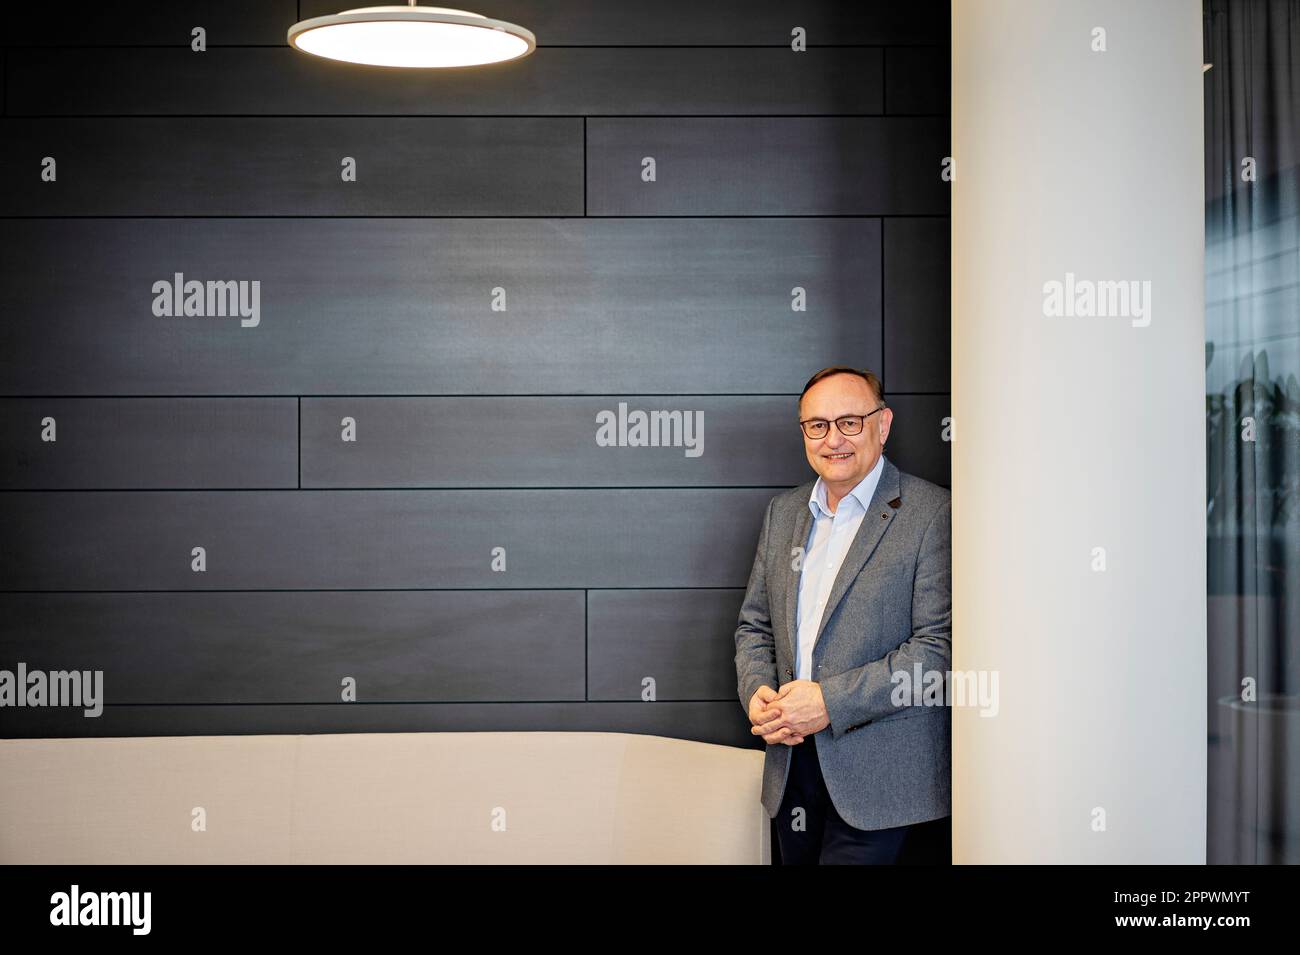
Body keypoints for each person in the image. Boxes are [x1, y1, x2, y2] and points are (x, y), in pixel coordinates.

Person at [733, 366, 952, 864]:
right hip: (791, 769)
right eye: (818, 425)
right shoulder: (784, 513)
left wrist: (829, 701)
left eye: (850, 422)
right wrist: (758, 695)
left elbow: (938, 651)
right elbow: (755, 626)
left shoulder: (933, 513)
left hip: (883, 783)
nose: (833, 439)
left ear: (883, 424)